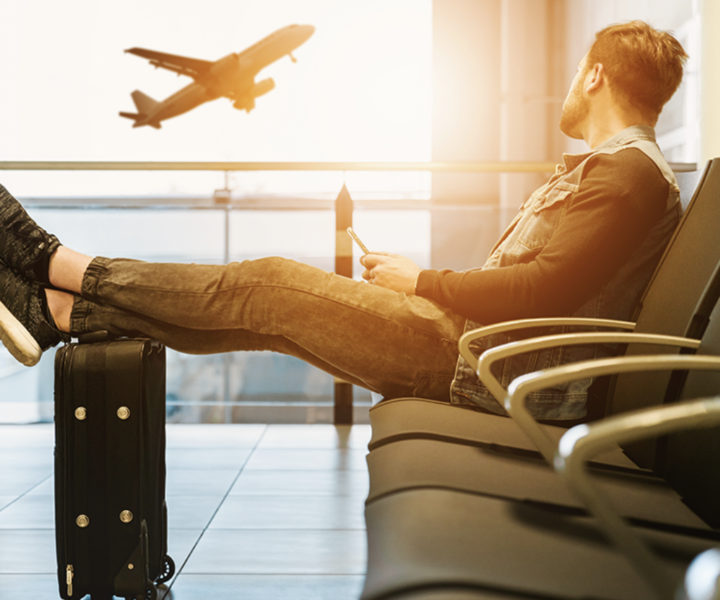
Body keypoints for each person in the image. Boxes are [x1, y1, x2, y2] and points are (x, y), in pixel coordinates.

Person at [0, 20, 688, 421]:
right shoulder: (623, 172)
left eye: (577, 74)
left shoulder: (626, 175)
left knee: (262, 285)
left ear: (595, 77)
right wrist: (421, 284)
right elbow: (546, 288)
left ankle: (49, 260)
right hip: (477, 355)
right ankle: (58, 313)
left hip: (477, 365)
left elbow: (543, 291)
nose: (571, 85)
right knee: (262, 316)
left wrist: (423, 281)